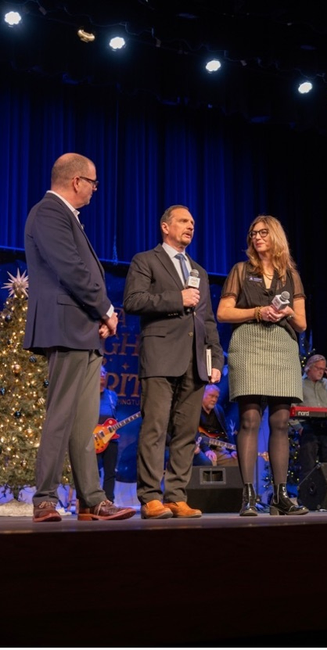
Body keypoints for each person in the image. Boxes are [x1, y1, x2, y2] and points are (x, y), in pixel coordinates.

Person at [23, 152, 135, 522]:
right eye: (93, 183)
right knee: (61, 415)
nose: (95, 190)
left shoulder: (67, 217)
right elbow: (70, 268)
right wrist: (105, 309)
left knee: (84, 421)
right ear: (76, 181)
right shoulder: (50, 212)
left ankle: (92, 498)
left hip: (84, 329)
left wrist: (99, 317)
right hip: (66, 326)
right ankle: (45, 498)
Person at [123, 204, 224, 519]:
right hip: (161, 358)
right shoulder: (146, 260)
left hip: (195, 362)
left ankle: (176, 496)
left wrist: (216, 358)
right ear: (165, 227)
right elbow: (133, 301)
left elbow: (207, 320)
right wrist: (175, 299)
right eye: (183, 221)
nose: (190, 226)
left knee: (185, 433)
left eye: (192, 222)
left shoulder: (199, 271)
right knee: (154, 429)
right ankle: (150, 497)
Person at [217, 214, 309, 516]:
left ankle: (280, 497)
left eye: (263, 233)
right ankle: (248, 497)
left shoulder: (291, 276)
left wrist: (283, 313)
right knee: (250, 420)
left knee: (281, 422)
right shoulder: (241, 271)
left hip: (282, 347)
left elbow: (302, 324)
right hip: (249, 344)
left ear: (276, 238)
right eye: (253, 233)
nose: (257, 238)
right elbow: (224, 312)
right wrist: (258, 311)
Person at [295, 354, 327, 481]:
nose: (321, 372)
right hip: (307, 426)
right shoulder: (298, 384)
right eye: (318, 368)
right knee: (308, 464)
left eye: (323, 369)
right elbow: (292, 407)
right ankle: (307, 496)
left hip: (326, 425)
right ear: (309, 368)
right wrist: (298, 428)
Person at [193, 384, 238, 467]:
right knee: (210, 463)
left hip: (217, 447)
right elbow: (193, 432)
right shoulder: (195, 409)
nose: (214, 399)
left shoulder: (218, 410)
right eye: (211, 396)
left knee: (236, 461)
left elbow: (226, 431)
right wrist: (206, 450)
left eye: (216, 397)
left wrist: (232, 450)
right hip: (201, 447)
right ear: (203, 395)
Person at [97, 366, 120, 503]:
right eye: (99, 372)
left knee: (110, 472)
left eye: (104, 372)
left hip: (110, 439)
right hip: (94, 439)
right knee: (93, 471)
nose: (102, 375)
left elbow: (114, 415)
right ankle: (93, 500)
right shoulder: (87, 394)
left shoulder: (112, 396)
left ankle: (108, 500)